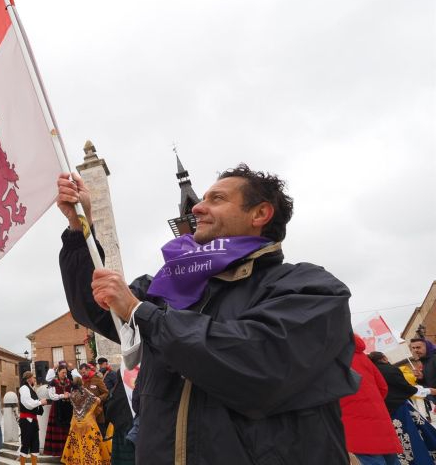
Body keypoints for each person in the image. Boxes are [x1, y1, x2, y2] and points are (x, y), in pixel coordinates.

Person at [57, 165, 359, 465]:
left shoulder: (310, 288)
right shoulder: (166, 287)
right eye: (201, 199)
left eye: (217, 199)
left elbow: (255, 361)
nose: (198, 208)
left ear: (259, 214)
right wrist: (78, 226)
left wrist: (142, 314)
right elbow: (94, 308)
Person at [339, 335, 402, 464]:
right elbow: (383, 387)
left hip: (352, 423)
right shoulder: (362, 356)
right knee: (392, 460)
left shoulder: (327, 360)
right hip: (379, 417)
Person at [368, 351, 436, 465]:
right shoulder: (389, 369)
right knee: (416, 436)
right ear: (384, 358)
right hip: (401, 409)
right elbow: (406, 388)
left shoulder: (369, 374)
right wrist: (429, 390)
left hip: (384, 414)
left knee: (404, 442)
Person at [62, 378, 111, 465]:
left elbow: (74, 407)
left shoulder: (72, 394)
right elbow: (95, 400)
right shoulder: (86, 392)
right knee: (90, 443)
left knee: (77, 443)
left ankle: (78, 461)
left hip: (75, 423)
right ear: (82, 383)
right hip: (88, 423)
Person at [17, 371, 47, 465]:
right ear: (29, 378)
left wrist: (40, 404)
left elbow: (33, 404)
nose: (34, 379)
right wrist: (40, 402)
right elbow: (28, 403)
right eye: (33, 377)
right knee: (25, 444)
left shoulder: (31, 388)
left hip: (32, 420)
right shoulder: (24, 388)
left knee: (35, 444)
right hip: (26, 420)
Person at [43, 365, 72, 456]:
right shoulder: (53, 382)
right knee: (58, 429)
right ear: (58, 372)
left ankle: (68, 451)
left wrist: (69, 395)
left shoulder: (69, 382)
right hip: (57, 408)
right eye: (62, 372)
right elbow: (52, 396)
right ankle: (58, 451)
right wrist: (63, 396)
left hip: (67, 408)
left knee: (67, 429)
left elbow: (73, 392)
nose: (64, 374)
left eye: (65, 373)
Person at [79, 363, 109, 432]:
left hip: (98, 412)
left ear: (88, 370)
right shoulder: (82, 381)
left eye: (84, 372)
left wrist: (100, 398)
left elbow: (106, 393)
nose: (82, 374)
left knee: (101, 433)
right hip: (87, 414)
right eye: (81, 373)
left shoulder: (96, 379)